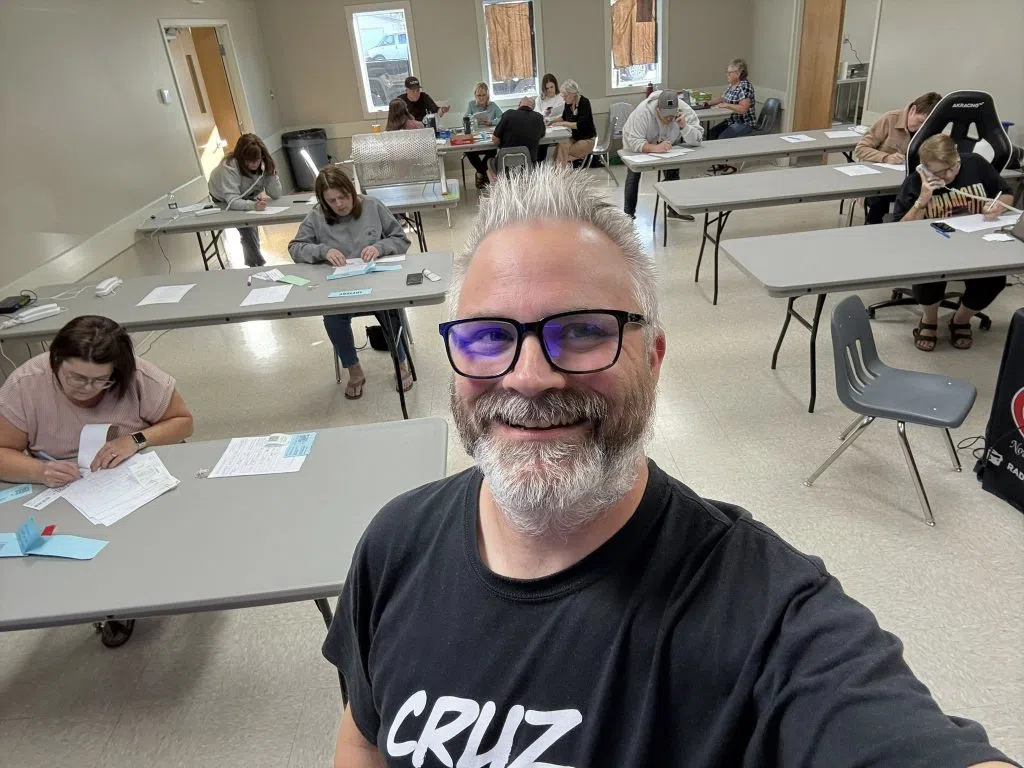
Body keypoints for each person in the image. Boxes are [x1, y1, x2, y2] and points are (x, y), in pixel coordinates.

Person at [323, 166, 1015, 768]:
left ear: (653, 361)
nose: (528, 377)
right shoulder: (395, 545)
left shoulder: (765, 617)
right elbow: (363, 736)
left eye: (584, 330)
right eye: (486, 336)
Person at [0, 314, 194, 486]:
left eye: (100, 380)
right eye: (77, 378)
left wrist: (136, 440)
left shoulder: (137, 375)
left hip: (137, 469)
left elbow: (183, 423)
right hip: (65, 481)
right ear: (56, 360)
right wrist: (39, 471)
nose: (87, 388)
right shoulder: (26, 384)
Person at [288, 165, 413, 398]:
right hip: (339, 286)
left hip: (376, 281)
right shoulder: (317, 216)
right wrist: (322, 251)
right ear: (323, 202)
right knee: (333, 318)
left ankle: (401, 362)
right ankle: (353, 368)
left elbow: (400, 239)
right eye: (331, 201)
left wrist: (380, 247)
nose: (339, 205)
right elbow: (295, 248)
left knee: (392, 309)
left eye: (343, 197)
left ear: (351, 191)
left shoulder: (372, 205)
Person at [893, 134, 1014, 352]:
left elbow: (1006, 194)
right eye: (940, 172)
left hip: (977, 244)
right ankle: (929, 320)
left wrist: (998, 207)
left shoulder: (975, 164)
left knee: (995, 279)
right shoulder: (914, 182)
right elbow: (900, 230)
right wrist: (922, 200)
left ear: (957, 155)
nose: (948, 175)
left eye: (953, 167)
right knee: (928, 275)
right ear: (925, 169)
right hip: (934, 247)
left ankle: (960, 319)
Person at [855, 91, 943, 224]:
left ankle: (905, 226)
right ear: (912, 110)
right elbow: (861, 149)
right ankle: (873, 225)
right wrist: (886, 157)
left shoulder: (929, 129)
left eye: (925, 125)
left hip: (907, 180)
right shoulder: (890, 119)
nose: (921, 128)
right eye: (920, 121)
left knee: (927, 194)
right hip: (879, 181)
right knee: (880, 200)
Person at [621, 89, 703, 219]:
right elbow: (634, 142)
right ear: (657, 109)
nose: (669, 119)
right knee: (633, 173)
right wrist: (654, 147)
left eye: (672, 116)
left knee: (673, 171)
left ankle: (674, 210)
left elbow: (698, 139)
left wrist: (684, 127)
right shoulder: (643, 112)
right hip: (638, 143)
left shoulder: (685, 111)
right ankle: (628, 214)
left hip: (668, 144)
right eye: (665, 116)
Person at [208, 133, 282, 267]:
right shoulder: (229, 167)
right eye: (249, 160)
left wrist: (271, 172)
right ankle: (256, 265)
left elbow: (276, 194)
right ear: (241, 158)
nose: (253, 164)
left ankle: (254, 262)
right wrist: (252, 205)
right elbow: (232, 201)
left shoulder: (265, 163)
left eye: (257, 160)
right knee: (247, 226)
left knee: (251, 227)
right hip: (223, 198)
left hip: (247, 195)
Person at [487, 96, 546, 182]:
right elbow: (542, 135)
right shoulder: (539, 117)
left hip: (505, 163)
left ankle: (498, 185)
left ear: (519, 104)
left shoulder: (508, 114)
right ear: (532, 108)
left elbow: (495, 139)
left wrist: (502, 144)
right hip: (529, 163)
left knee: (489, 162)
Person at [464, 82, 503, 189]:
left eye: (483, 95)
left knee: (493, 149)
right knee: (468, 150)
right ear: (475, 95)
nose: (481, 98)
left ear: (487, 95)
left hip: (489, 135)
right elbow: (465, 119)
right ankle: (483, 172)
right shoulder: (471, 104)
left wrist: (492, 122)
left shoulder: (493, 105)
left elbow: (503, 118)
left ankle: (480, 174)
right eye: (478, 95)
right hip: (476, 134)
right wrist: (471, 120)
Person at [707, 58, 757, 140]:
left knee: (722, 138)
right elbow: (723, 98)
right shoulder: (732, 85)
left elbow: (743, 109)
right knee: (712, 133)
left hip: (744, 123)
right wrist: (708, 103)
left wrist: (727, 105)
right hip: (732, 121)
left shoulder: (744, 86)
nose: (727, 75)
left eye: (729, 73)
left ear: (738, 73)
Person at [553, 79, 597, 167]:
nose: (563, 98)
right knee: (560, 146)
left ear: (573, 94)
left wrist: (563, 124)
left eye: (565, 96)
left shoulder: (584, 102)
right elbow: (563, 118)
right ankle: (563, 172)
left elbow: (579, 125)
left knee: (562, 154)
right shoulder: (568, 104)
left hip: (587, 139)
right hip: (574, 138)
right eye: (563, 96)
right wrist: (551, 121)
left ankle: (561, 173)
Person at [535, 73, 564, 164]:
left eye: (551, 87)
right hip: (544, 127)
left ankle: (558, 164)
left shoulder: (561, 98)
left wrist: (551, 119)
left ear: (555, 86)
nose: (550, 90)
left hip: (558, 126)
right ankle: (540, 164)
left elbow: (564, 115)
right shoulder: (540, 99)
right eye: (547, 88)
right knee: (541, 143)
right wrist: (543, 116)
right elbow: (536, 114)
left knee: (562, 142)